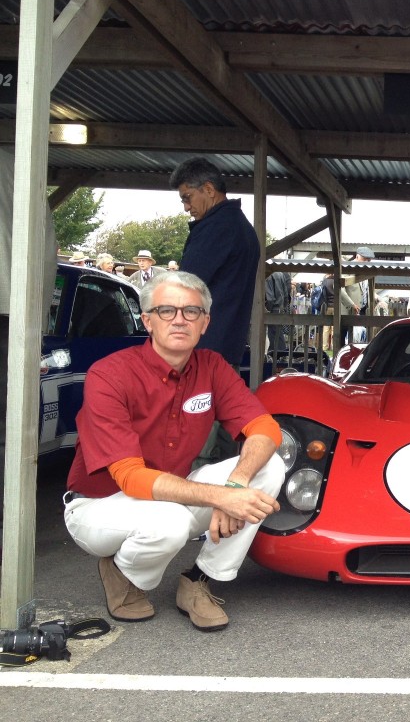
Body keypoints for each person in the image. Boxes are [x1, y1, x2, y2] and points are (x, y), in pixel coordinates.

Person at [62, 271, 286, 632]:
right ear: (147, 320)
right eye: (166, 310)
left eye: (191, 311)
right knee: (171, 522)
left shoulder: (212, 367)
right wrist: (223, 498)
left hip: (171, 493)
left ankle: (199, 580)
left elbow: (264, 429)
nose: (179, 319)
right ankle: (121, 570)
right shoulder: (110, 374)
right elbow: (130, 478)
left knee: (269, 466)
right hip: (99, 506)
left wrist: (236, 485)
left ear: (205, 323)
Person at [172, 157, 260, 367]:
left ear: (209, 189)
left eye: (188, 197)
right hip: (227, 346)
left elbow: (184, 286)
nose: (186, 207)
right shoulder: (241, 226)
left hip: (203, 348)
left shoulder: (216, 228)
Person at [264, 269, 292, 354]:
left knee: (274, 336)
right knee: (278, 335)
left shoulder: (268, 275)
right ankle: (280, 355)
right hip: (280, 308)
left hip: (273, 309)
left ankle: (277, 357)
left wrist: (267, 309)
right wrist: (283, 306)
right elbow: (286, 294)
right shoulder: (280, 274)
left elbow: (270, 298)